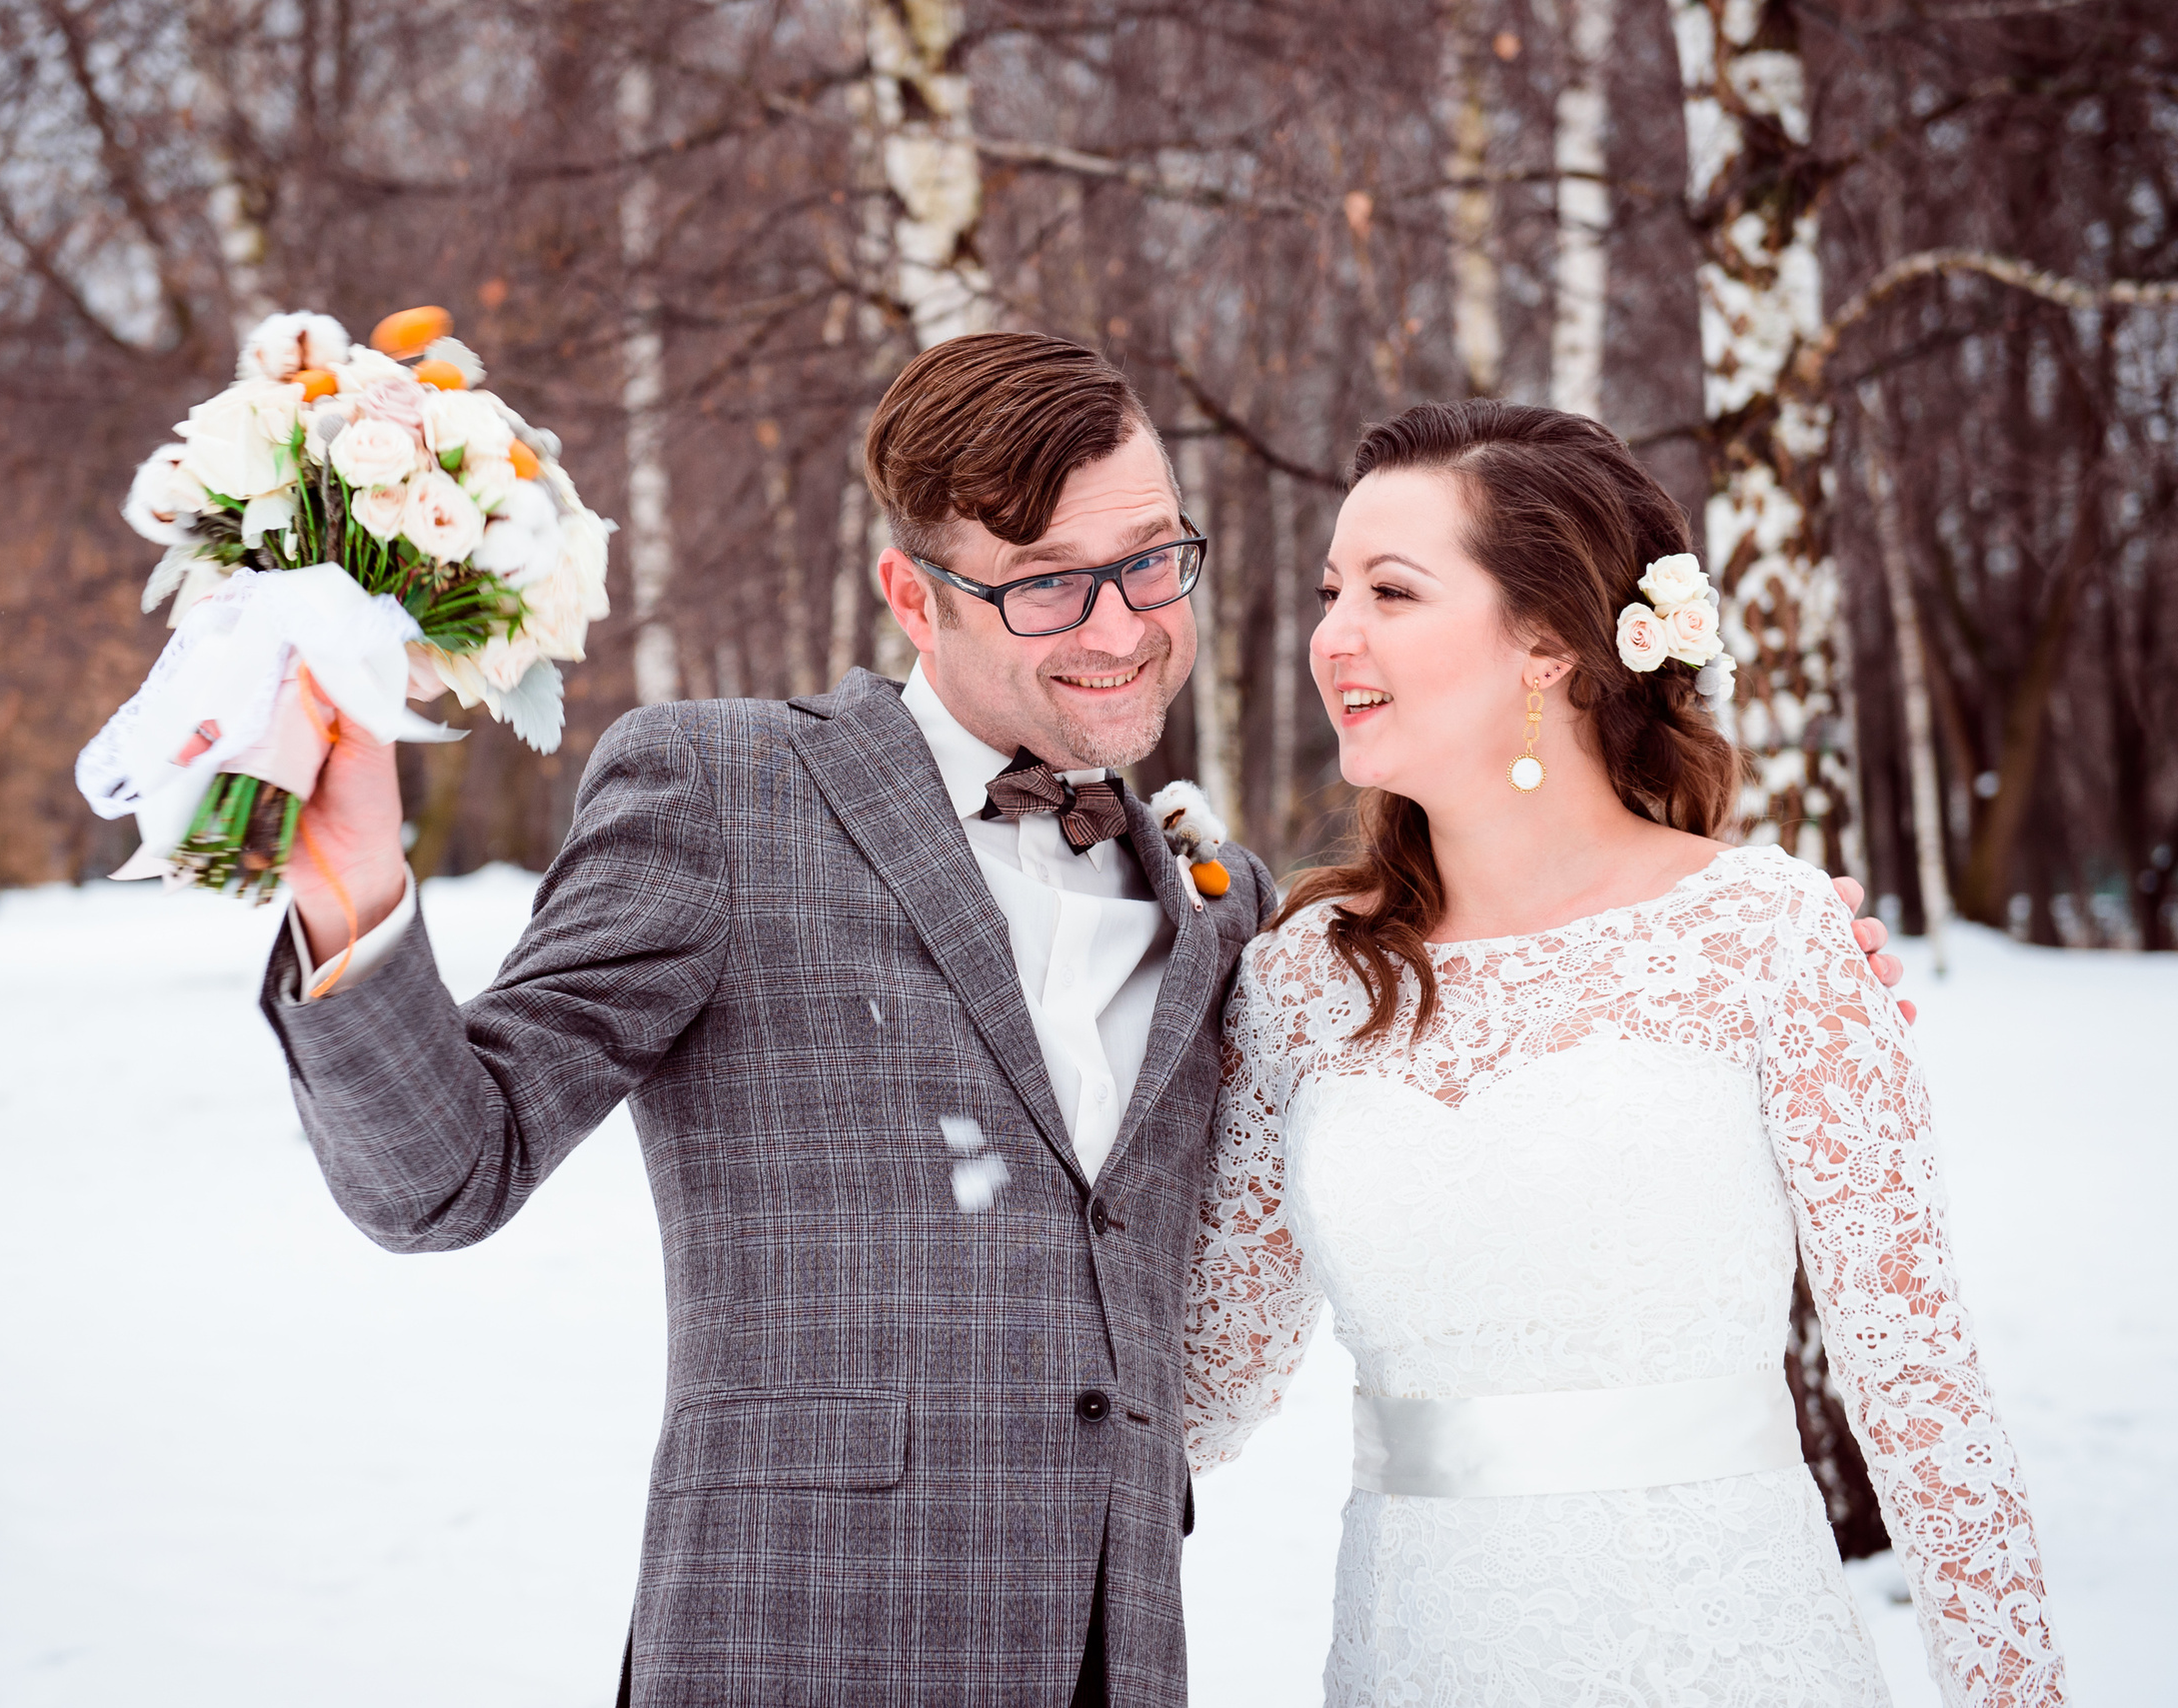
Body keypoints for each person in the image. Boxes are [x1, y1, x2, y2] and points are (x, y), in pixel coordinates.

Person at [260, 334, 1905, 1706]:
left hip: (1116, 1662)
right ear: (914, 597)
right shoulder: (723, 793)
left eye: (1147, 560)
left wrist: (1708, 950)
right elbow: (438, 1174)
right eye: (1045, 585)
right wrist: (352, 885)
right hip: (799, 1646)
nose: (1121, 627)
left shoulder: (1229, 914)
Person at [1181, 401, 2064, 1707]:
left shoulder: (1766, 935)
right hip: (1417, 1656)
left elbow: (1923, 1401)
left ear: (1547, 642)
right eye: (1330, 592)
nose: (1333, 635)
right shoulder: (1301, 983)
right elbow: (1199, 1391)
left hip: (1736, 1656)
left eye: (1391, 590)